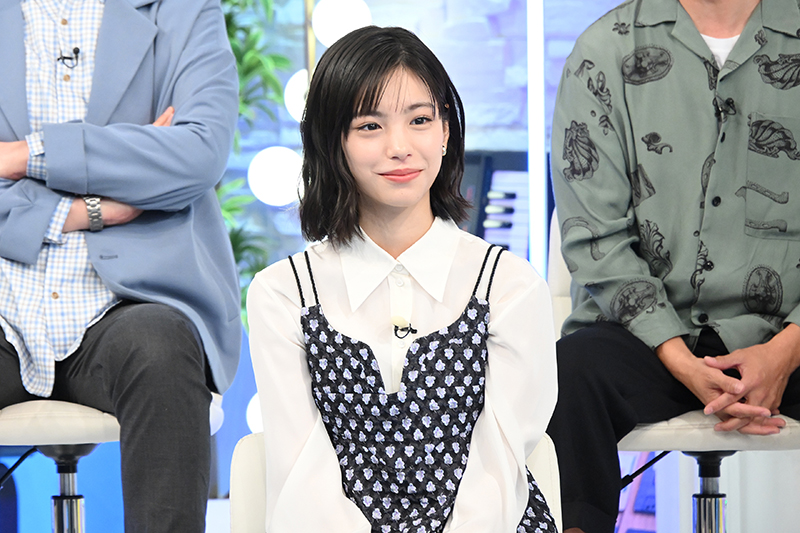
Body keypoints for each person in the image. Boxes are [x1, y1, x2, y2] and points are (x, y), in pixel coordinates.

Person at [247, 25, 558, 533]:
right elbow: (302, 477)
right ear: (333, 141)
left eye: (419, 120)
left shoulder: (510, 287)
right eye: (370, 125)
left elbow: (498, 475)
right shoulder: (282, 294)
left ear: (445, 131)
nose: (400, 147)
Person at [548, 0, 800, 531]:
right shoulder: (604, 50)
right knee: (568, 375)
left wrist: (785, 351)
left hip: (786, 332)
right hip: (643, 336)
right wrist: (679, 358)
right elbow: (594, 234)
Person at [0, 0, 240, 530]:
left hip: (127, 301)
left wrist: (20, 156)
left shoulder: (183, 11)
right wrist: (91, 207)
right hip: (6, 301)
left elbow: (197, 153)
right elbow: (163, 159)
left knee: (162, 346)